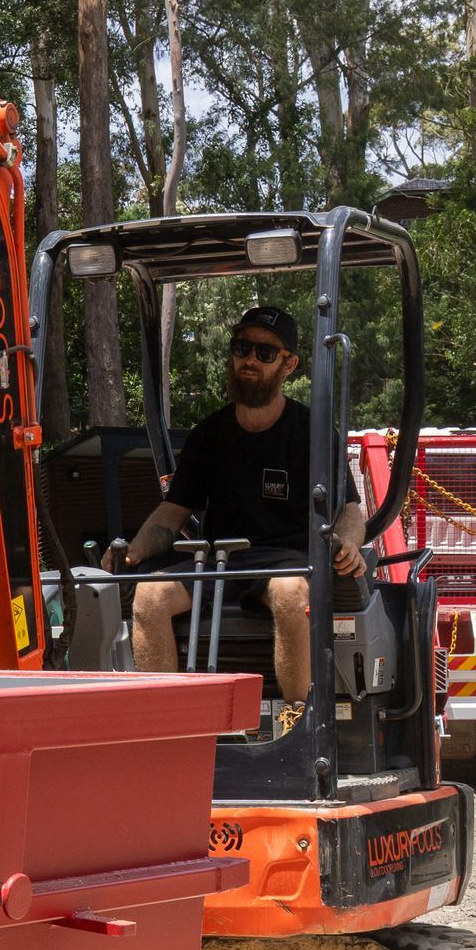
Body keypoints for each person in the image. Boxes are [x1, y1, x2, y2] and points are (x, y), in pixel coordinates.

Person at [104, 302, 366, 717]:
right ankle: (169, 724)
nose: (250, 360)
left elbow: (349, 509)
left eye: (265, 353)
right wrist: (133, 552)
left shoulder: (311, 432)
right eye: (242, 348)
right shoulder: (209, 434)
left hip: (287, 561)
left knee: (291, 592)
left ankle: (300, 721)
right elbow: (171, 514)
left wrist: (350, 543)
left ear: (289, 364)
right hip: (220, 561)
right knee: (150, 597)